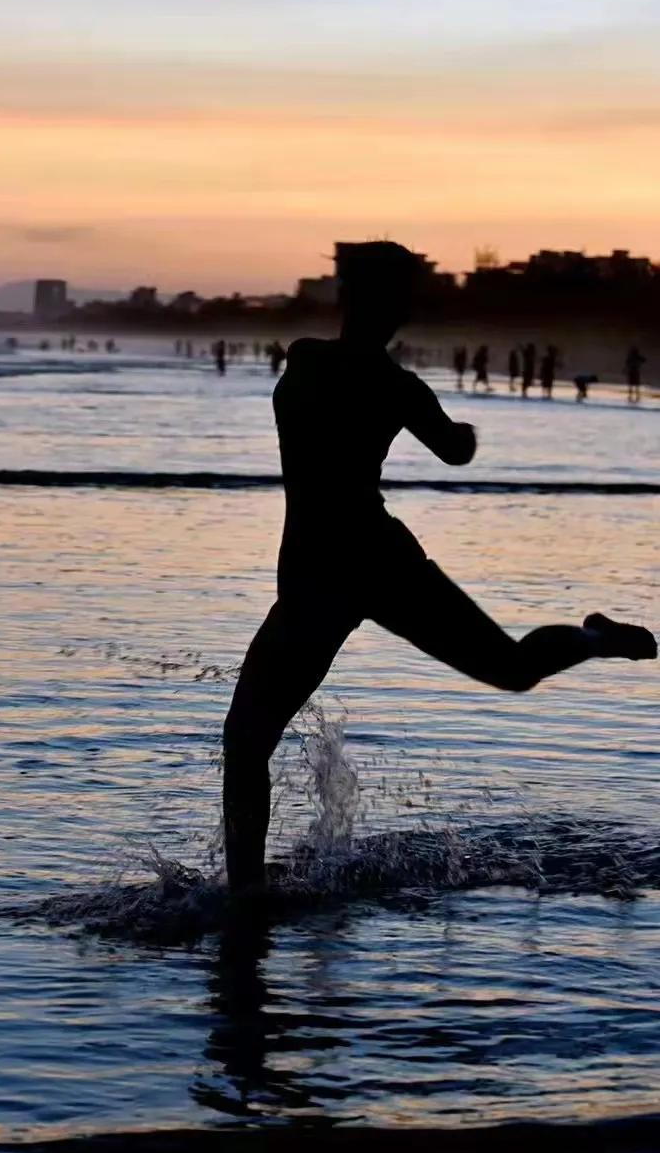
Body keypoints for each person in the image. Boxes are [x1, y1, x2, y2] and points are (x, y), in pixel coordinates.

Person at [222, 241, 656, 895]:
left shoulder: (311, 361)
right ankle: (245, 895)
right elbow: (454, 451)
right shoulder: (393, 387)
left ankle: (598, 636)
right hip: (350, 565)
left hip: (343, 566)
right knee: (247, 739)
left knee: (248, 739)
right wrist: (464, 433)